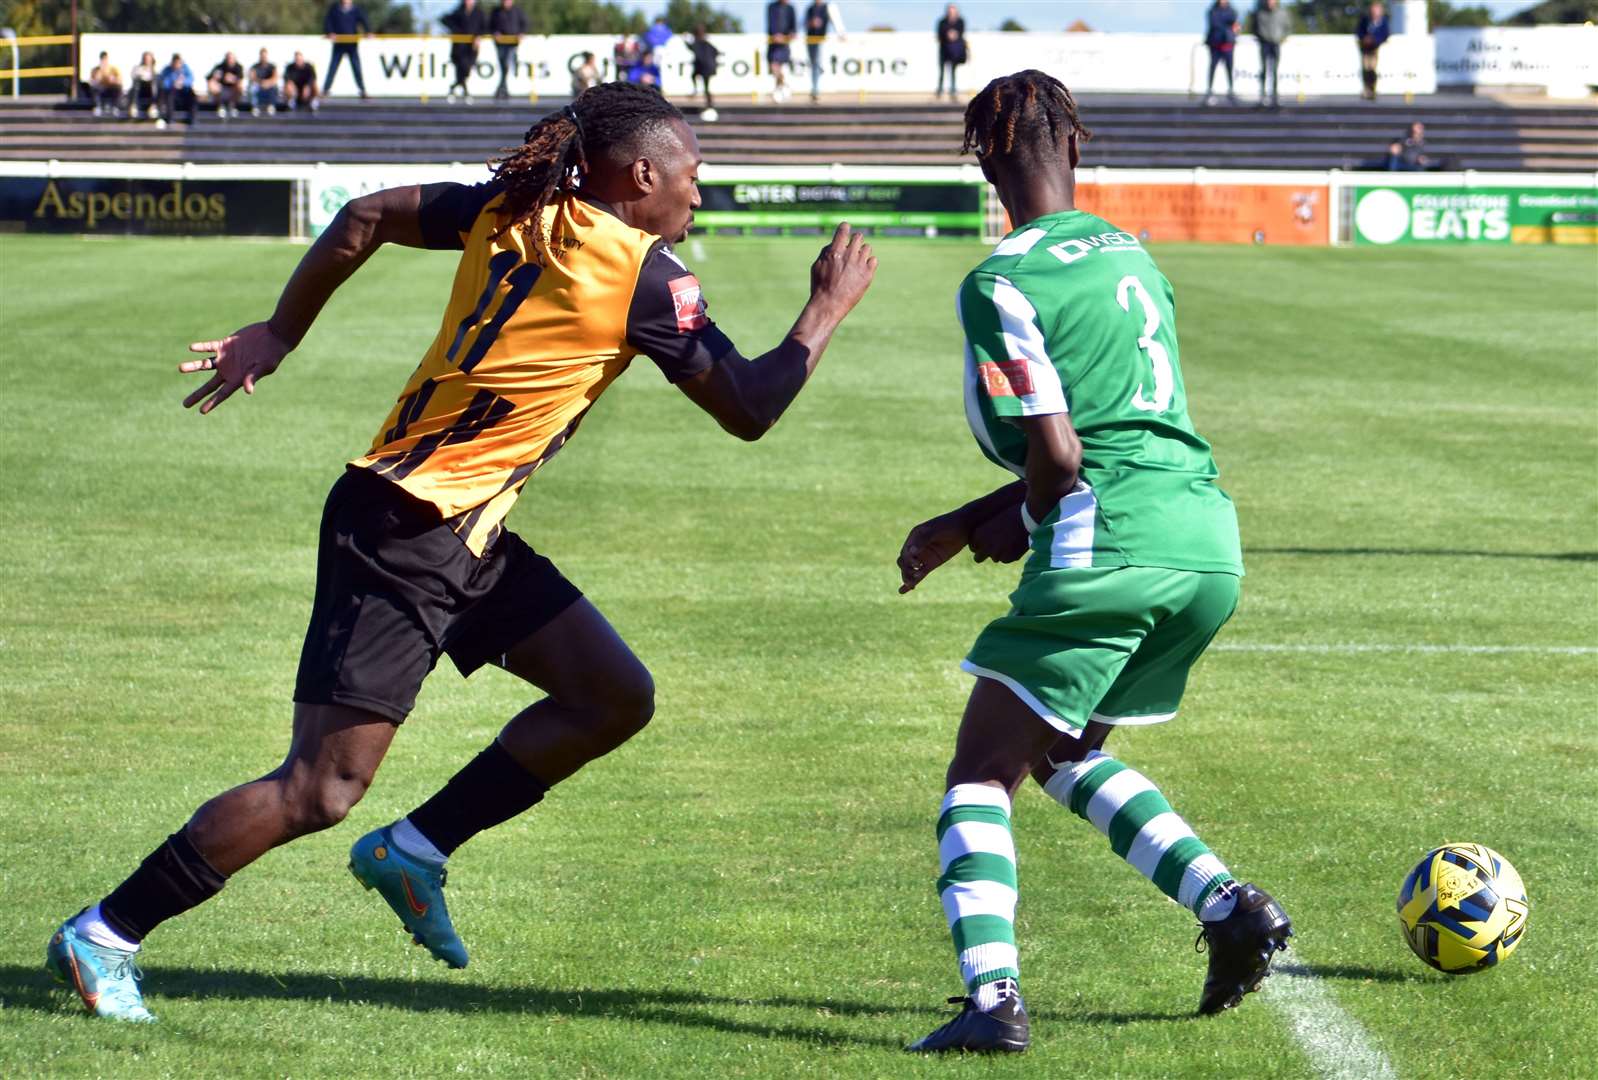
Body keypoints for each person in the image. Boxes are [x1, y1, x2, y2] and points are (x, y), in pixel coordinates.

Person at [44, 80, 877, 1025]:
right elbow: (751, 406)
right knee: (320, 787)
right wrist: (826, 308)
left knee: (612, 696)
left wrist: (281, 332)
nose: (700, 188)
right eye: (693, 170)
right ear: (642, 172)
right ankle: (106, 932)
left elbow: (364, 217)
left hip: (454, 528)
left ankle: (419, 849)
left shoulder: (516, 207)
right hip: (408, 531)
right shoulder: (647, 275)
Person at [897, 69, 1292, 1054]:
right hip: (1203, 544)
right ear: (1074, 146)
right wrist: (971, 517)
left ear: (982, 160)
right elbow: (1113, 432)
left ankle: (992, 1002)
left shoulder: (1000, 279)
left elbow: (1062, 456)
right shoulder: (1130, 255)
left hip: (1106, 548)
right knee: (1065, 749)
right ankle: (1228, 906)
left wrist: (1024, 516)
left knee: (979, 776)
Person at [443, 0, 490, 103]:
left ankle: (454, 88)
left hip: (472, 48)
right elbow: (445, 20)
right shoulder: (458, 11)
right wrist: (456, 32)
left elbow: (485, 27)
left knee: (467, 70)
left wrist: (479, 36)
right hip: (459, 47)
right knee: (461, 68)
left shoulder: (479, 13)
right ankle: (466, 93)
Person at [323, 0, 371, 98]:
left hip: (352, 44)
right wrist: (330, 32)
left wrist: (368, 31)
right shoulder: (335, 8)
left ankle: (362, 91)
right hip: (339, 43)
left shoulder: (356, 9)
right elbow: (328, 21)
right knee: (333, 68)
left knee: (356, 68)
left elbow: (364, 20)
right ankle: (325, 90)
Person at [803, 1, 846, 103]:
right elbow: (802, 23)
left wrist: (841, 33)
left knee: (817, 63)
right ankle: (816, 85)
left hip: (821, 41)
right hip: (810, 40)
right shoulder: (810, 8)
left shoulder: (829, 7)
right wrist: (810, 23)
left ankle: (815, 90)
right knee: (814, 64)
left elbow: (836, 20)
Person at [1203, 0, 1240, 106]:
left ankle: (1231, 90)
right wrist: (1227, 25)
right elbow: (1215, 24)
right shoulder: (1212, 11)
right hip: (1215, 44)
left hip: (1228, 44)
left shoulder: (1232, 11)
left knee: (1229, 68)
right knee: (1212, 67)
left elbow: (1235, 24)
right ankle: (1209, 90)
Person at [1252, 0, 1288, 109]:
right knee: (1263, 69)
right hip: (1264, 44)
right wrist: (1261, 37)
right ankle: (1263, 95)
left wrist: (1281, 38)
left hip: (1276, 44)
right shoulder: (1260, 13)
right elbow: (1254, 28)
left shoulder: (1282, 13)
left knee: (1275, 70)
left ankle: (1275, 95)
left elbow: (1287, 27)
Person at [491, 0, 527, 101]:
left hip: (512, 43)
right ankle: (503, 90)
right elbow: (490, 25)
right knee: (503, 66)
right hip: (500, 44)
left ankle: (501, 90)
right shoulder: (496, 11)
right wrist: (495, 32)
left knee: (506, 65)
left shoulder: (517, 11)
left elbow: (524, 24)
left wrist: (521, 33)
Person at [1356, 2, 1390, 101]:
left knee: (1372, 69)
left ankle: (1373, 89)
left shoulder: (1383, 22)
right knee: (1366, 69)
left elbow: (1385, 34)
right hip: (1365, 48)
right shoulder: (1365, 20)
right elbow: (1359, 32)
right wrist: (1364, 39)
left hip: (1375, 48)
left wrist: (1374, 40)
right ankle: (1366, 89)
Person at [767, 0, 798, 103]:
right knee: (774, 67)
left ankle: (778, 92)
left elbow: (793, 26)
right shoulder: (772, 6)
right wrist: (775, 35)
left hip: (785, 42)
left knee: (777, 66)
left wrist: (791, 34)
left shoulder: (790, 8)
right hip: (774, 43)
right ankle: (783, 86)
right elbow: (770, 23)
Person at [157, 53, 196, 127]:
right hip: (172, 92)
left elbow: (191, 78)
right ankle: (170, 118)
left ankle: (192, 119)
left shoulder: (186, 69)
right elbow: (164, 82)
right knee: (169, 95)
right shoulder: (167, 70)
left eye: (179, 63)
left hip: (184, 93)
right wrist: (174, 82)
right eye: (176, 63)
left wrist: (182, 82)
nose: (177, 65)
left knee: (192, 96)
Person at [936, 5, 966, 99]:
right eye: (950, 10)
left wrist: (955, 35)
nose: (951, 12)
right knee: (942, 70)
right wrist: (947, 35)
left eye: (953, 10)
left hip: (954, 50)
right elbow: (939, 34)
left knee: (953, 70)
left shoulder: (960, 21)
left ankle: (953, 90)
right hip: (944, 49)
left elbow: (961, 32)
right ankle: (940, 90)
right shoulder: (942, 22)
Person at [689, 27, 720, 118]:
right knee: (705, 86)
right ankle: (709, 104)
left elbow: (694, 50)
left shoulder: (698, 44)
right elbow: (716, 52)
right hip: (707, 67)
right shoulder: (706, 43)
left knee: (705, 87)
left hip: (704, 68)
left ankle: (709, 104)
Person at [208, 51, 245, 119]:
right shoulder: (219, 66)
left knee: (240, 86)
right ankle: (220, 106)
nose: (229, 60)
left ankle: (232, 106)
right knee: (212, 85)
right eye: (228, 58)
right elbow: (209, 78)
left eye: (231, 58)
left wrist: (232, 79)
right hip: (222, 89)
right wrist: (217, 79)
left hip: (233, 90)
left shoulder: (238, 67)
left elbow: (240, 80)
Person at [126, 51, 159, 120]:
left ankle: (153, 107)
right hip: (140, 90)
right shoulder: (138, 68)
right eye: (145, 59)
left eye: (148, 59)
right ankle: (133, 106)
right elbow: (133, 76)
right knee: (136, 83)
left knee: (155, 84)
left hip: (150, 91)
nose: (147, 60)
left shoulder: (155, 70)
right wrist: (140, 74)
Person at [89, 52, 123, 117]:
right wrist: (97, 79)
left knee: (118, 87)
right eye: (103, 59)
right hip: (101, 89)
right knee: (94, 88)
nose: (104, 61)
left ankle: (115, 107)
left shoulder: (113, 69)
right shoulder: (96, 69)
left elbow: (120, 80)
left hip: (111, 89)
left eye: (105, 59)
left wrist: (113, 80)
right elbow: (91, 81)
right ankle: (98, 106)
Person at [249, 49, 280, 116]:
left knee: (274, 87)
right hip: (259, 84)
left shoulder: (272, 67)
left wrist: (268, 82)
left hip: (269, 85)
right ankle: (255, 106)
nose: (263, 58)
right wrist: (261, 82)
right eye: (262, 56)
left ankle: (271, 106)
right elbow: (252, 77)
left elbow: (275, 77)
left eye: (265, 56)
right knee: (253, 87)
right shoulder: (255, 66)